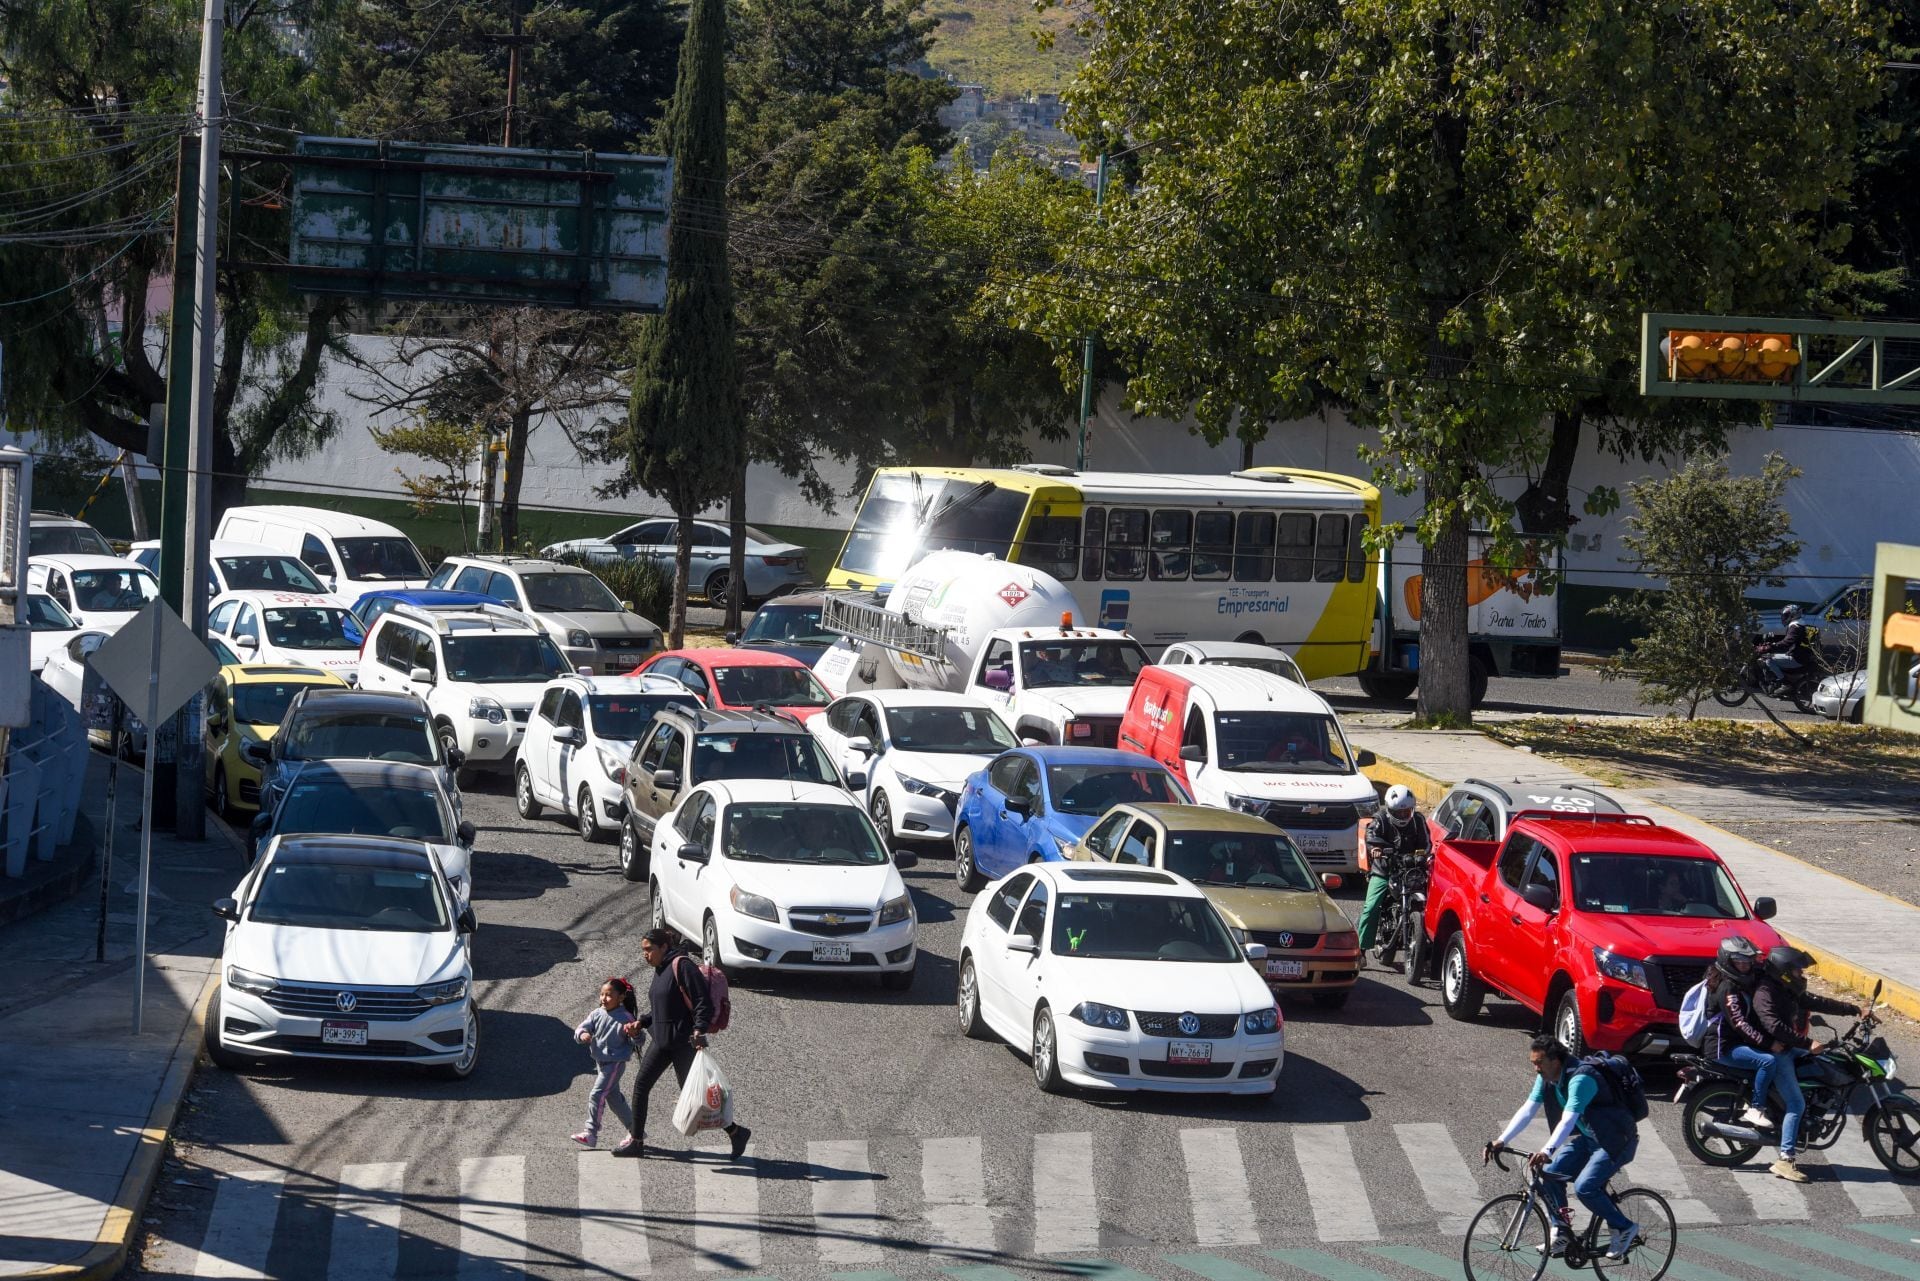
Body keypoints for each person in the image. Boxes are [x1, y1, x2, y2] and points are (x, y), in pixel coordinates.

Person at [1484, 1036, 1640, 1260]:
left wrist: (1546, 1151)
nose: (1536, 1068)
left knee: (1585, 1187)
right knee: (1549, 1175)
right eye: (1533, 1063)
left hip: (1616, 1141)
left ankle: (1624, 1227)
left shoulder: (1581, 1078)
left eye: (1539, 1063)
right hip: (1590, 1139)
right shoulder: (1547, 1077)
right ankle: (1562, 1231)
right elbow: (1529, 1109)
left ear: (1555, 1061)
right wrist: (1502, 1140)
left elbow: (1568, 1120)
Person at [612, 929, 751, 1160]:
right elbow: (661, 1009)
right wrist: (642, 1022)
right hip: (662, 1042)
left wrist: (699, 1029)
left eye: (649, 949)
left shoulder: (682, 966)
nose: (645, 954)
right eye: (643, 950)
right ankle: (636, 1141)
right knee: (641, 1086)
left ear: (664, 947)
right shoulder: (660, 969)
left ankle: (736, 1132)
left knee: (698, 1097)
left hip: (683, 1043)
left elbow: (702, 1002)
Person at [1750, 945, 1860, 1182]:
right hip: (1776, 1053)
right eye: (1798, 971)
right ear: (1784, 972)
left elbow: (1815, 1002)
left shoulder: (1785, 989)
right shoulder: (1765, 992)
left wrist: (1853, 1009)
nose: (1802, 974)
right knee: (1796, 1103)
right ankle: (1785, 1159)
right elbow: (1773, 1026)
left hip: (1788, 1048)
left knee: (1823, 1063)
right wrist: (1808, 1042)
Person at [1702, 936, 1778, 1132]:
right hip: (1722, 1047)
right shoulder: (1727, 987)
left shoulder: (1737, 981)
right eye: (1739, 961)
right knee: (1767, 1061)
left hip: (1734, 1042)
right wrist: (1768, 1043)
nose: (1745, 966)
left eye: (1748, 961)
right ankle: (1756, 1108)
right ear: (1727, 961)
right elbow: (1740, 1024)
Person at [1355, 785, 1431, 965]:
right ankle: (1360, 951)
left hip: (1410, 870)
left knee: (1430, 904)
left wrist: (1423, 855)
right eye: (1399, 812)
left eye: (1407, 812)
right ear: (1390, 810)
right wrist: (1376, 849)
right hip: (1385, 871)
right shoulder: (1380, 819)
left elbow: (1427, 843)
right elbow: (1371, 835)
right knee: (1371, 907)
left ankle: (1430, 952)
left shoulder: (1418, 820)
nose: (1403, 815)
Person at [572, 978, 640, 1150]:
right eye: (602, 994)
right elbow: (580, 1029)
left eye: (609, 995)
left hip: (614, 1063)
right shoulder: (597, 1013)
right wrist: (582, 1034)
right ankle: (635, 1131)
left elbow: (639, 1040)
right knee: (614, 1099)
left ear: (621, 997)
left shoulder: (626, 1017)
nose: (603, 998)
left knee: (597, 1094)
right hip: (600, 1062)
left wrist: (634, 1034)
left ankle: (590, 1133)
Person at [1759, 605, 1816, 694]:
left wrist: (1770, 647)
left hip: (1797, 658)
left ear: (1792, 615)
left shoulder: (1795, 626)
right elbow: (1789, 641)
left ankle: (1785, 684)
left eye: (1785, 615)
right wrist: (1773, 645)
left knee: (1768, 660)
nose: (1783, 618)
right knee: (1774, 655)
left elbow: (1787, 642)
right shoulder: (1801, 624)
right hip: (1802, 655)